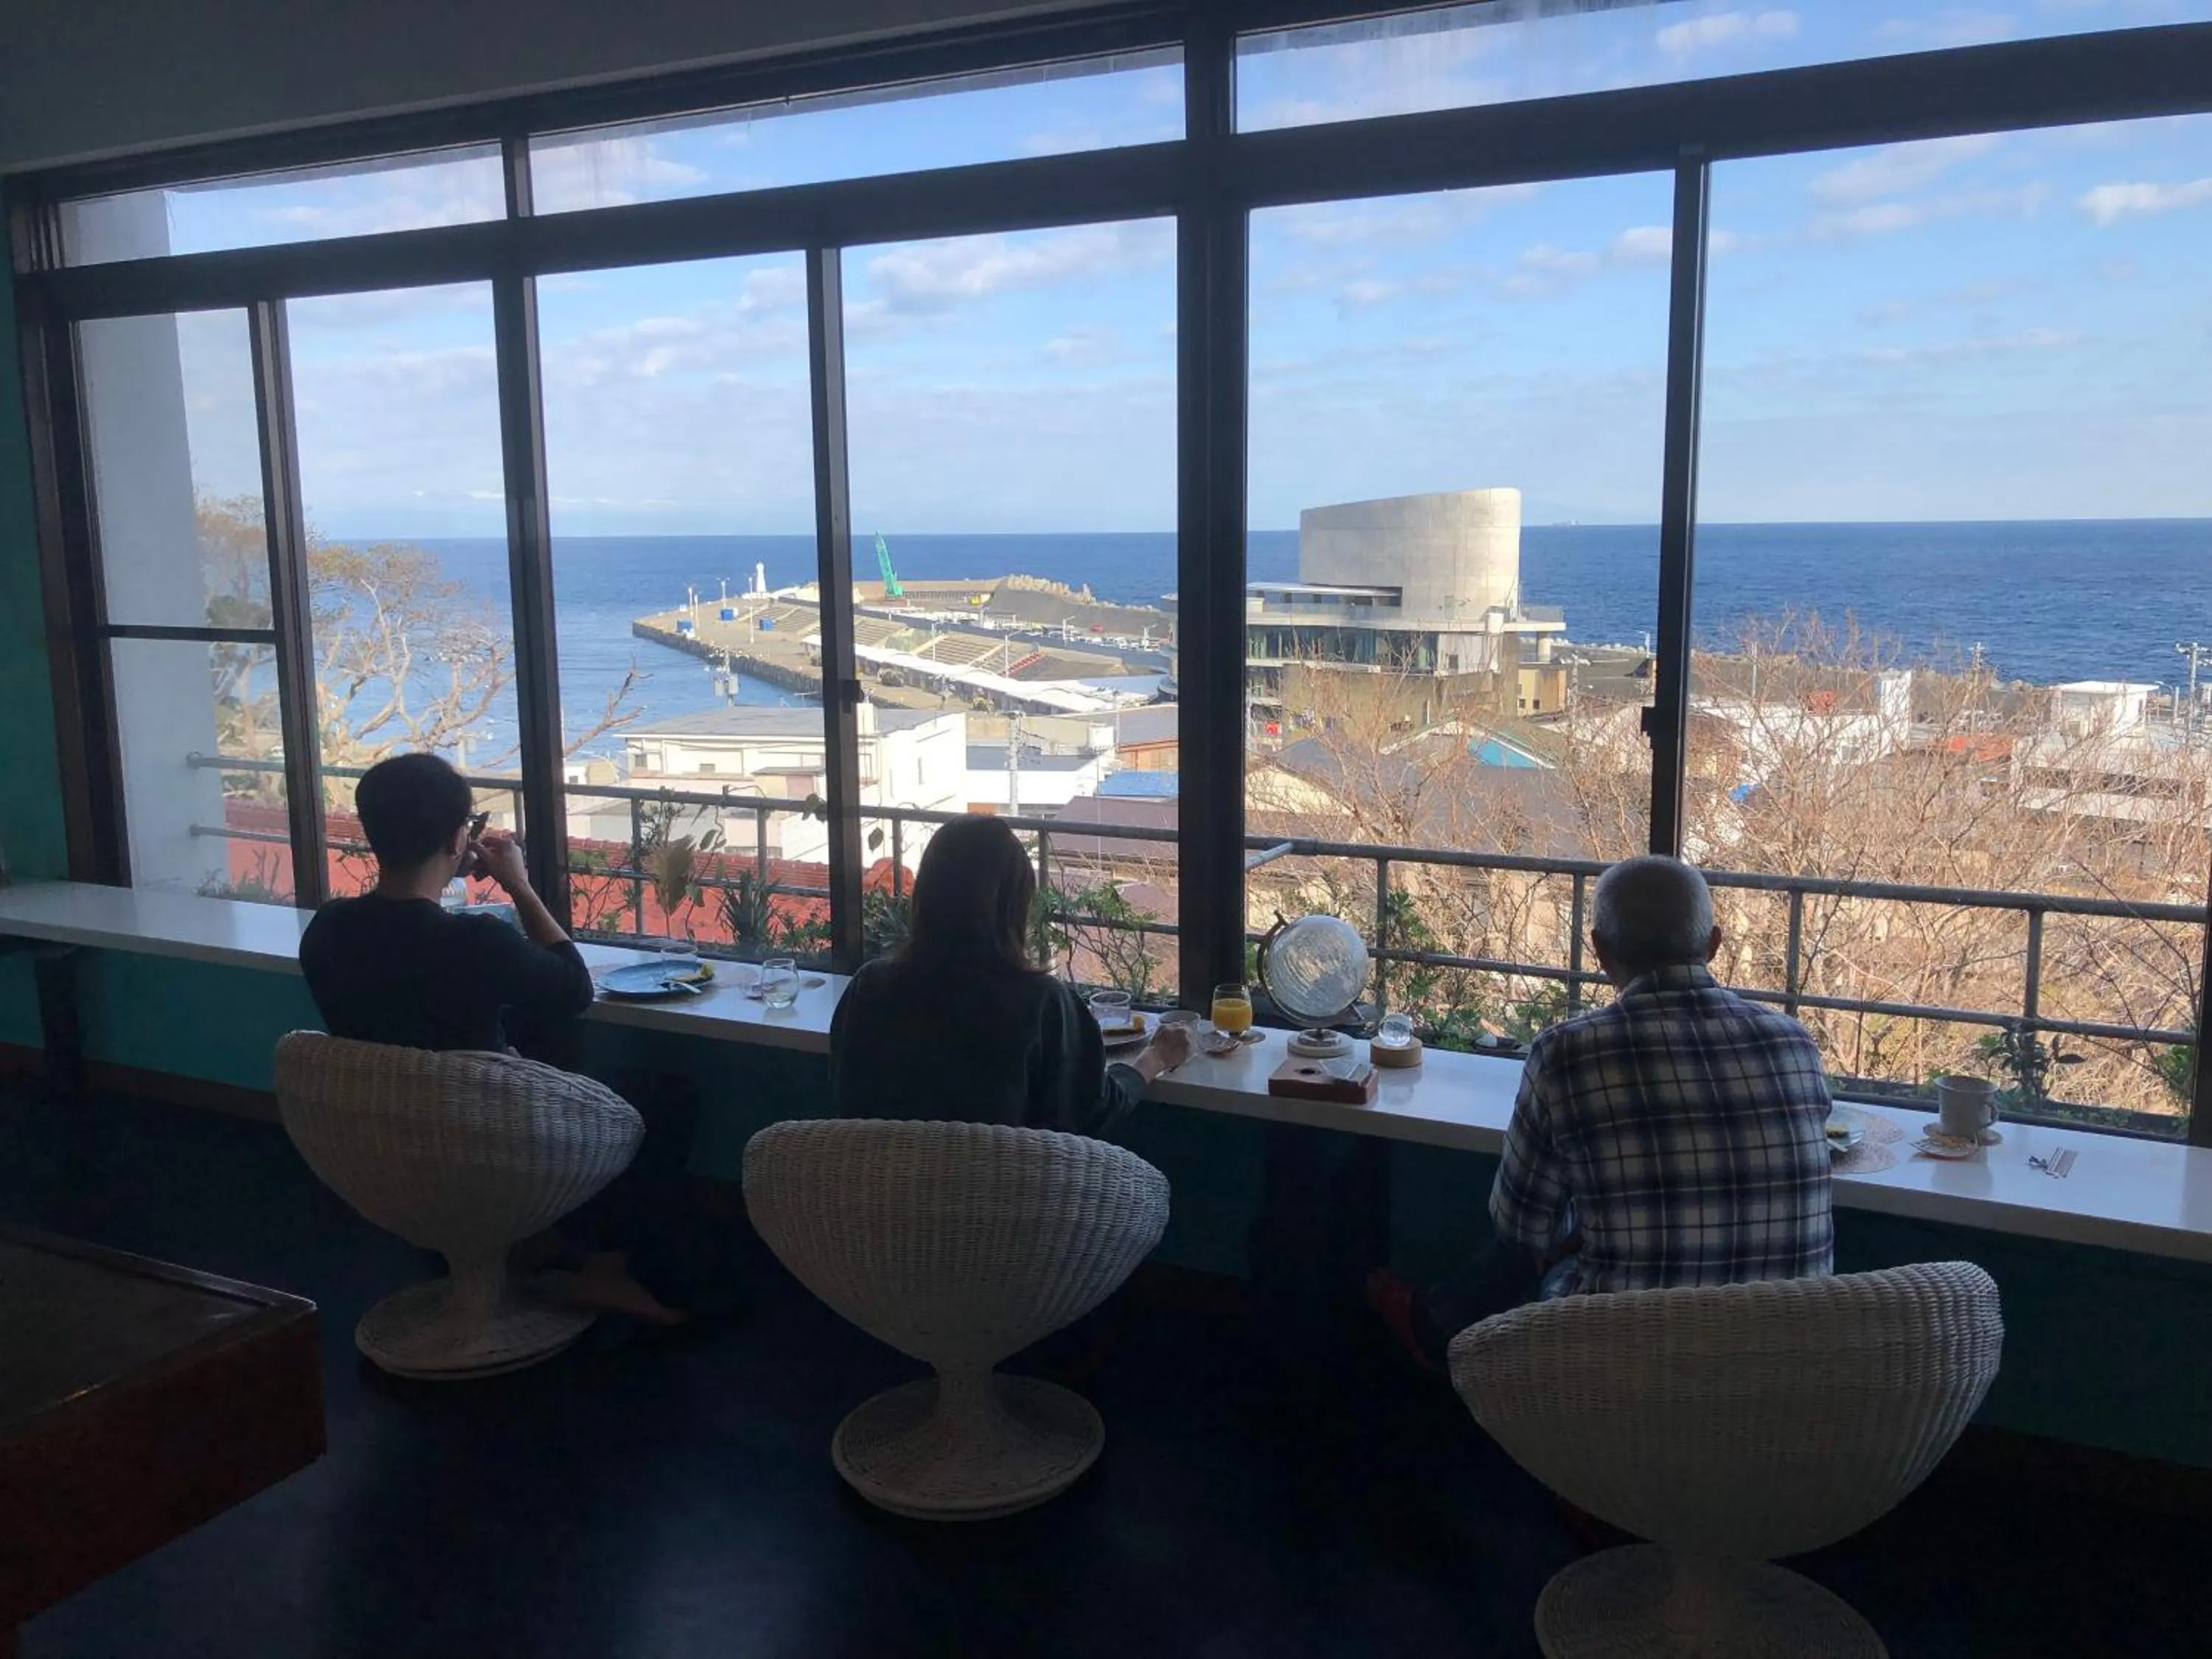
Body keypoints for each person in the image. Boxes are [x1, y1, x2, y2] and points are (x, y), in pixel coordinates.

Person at [1373, 854, 1834, 1369]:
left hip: (1621, 1370)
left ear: (1598, 951)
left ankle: (1429, 1330)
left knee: (1550, 1260)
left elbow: (1524, 1228)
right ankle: (1431, 1322)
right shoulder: (1794, 1043)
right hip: (1788, 1371)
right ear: (1713, 945)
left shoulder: (1568, 1053)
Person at [300, 752, 681, 1325]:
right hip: (486, 1147)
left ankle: (530, 1241)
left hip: (386, 1145)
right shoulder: (473, 942)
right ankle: (603, 1270)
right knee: (668, 1098)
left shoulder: (327, 930)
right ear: (458, 839)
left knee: (535, 1031)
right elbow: (574, 989)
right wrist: (521, 886)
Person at [830, 814, 1194, 1135]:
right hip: (1005, 1210)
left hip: (881, 1205)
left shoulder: (869, 989)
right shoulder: (1041, 1003)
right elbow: (1094, 1110)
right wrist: (1154, 1058)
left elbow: (849, 1103)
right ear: (1015, 905)